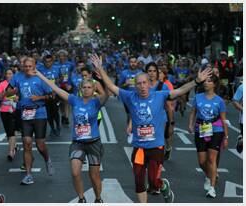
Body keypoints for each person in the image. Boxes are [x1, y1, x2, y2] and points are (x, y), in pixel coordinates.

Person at [90, 53, 212, 203]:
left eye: (144, 83)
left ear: (149, 84)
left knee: (154, 182)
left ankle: (164, 186)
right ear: (135, 86)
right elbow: (110, 86)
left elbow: (180, 91)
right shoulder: (130, 96)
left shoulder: (159, 96)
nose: (142, 86)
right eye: (138, 83)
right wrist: (100, 68)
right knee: (139, 181)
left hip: (156, 147)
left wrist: (197, 81)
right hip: (139, 148)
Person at [35, 66, 109, 203]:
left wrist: (101, 74)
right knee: (75, 173)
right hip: (77, 144)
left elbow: (107, 93)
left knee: (94, 176)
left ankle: (98, 198)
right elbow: (56, 88)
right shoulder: (75, 100)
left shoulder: (96, 102)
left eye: (89, 87)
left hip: (94, 143)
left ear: (93, 90)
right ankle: (81, 199)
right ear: (80, 89)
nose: (86, 89)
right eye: (84, 87)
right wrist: (39, 74)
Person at [188, 74, 228, 198]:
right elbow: (193, 112)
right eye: (205, 81)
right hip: (201, 128)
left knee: (212, 158)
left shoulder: (219, 101)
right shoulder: (198, 97)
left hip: (216, 129)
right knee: (201, 161)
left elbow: (223, 119)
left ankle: (212, 188)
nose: (206, 83)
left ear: (214, 85)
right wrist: (190, 124)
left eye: (209, 81)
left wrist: (226, 137)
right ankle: (209, 175)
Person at [16, 57, 55, 185]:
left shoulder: (40, 78)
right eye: (25, 66)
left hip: (39, 113)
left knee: (40, 145)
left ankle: (47, 159)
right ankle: (28, 175)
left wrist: (39, 97)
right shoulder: (19, 79)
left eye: (30, 66)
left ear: (34, 66)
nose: (27, 68)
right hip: (25, 114)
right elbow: (17, 94)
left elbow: (52, 95)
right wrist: (15, 98)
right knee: (26, 142)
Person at [0, 68, 18, 161]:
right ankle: (14, 145)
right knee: (9, 132)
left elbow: (22, 95)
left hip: (15, 109)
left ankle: (11, 152)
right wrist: (5, 92)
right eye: (7, 74)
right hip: (4, 110)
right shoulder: (2, 84)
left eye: (10, 73)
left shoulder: (17, 84)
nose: (9, 75)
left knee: (12, 130)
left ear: (13, 75)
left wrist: (17, 98)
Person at [232, 83, 243, 153]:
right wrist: (243, 109)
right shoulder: (242, 87)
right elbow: (235, 101)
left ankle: (241, 140)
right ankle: (241, 141)